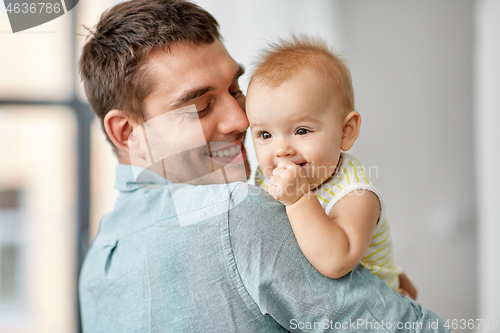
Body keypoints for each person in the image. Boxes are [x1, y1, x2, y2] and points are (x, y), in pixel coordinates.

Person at [78, 0, 448, 331]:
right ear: (127, 132)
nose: (242, 120)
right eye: (202, 106)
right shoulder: (241, 214)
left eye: (236, 90)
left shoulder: (97, 266)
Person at [246, 36, 411, 296]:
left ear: (346, 131)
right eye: (265, 135)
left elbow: (337, 262)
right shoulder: (263, 177)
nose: (281, 150)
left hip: (373, 312)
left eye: (301, 130)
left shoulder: (356, 194)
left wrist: (299, 199)